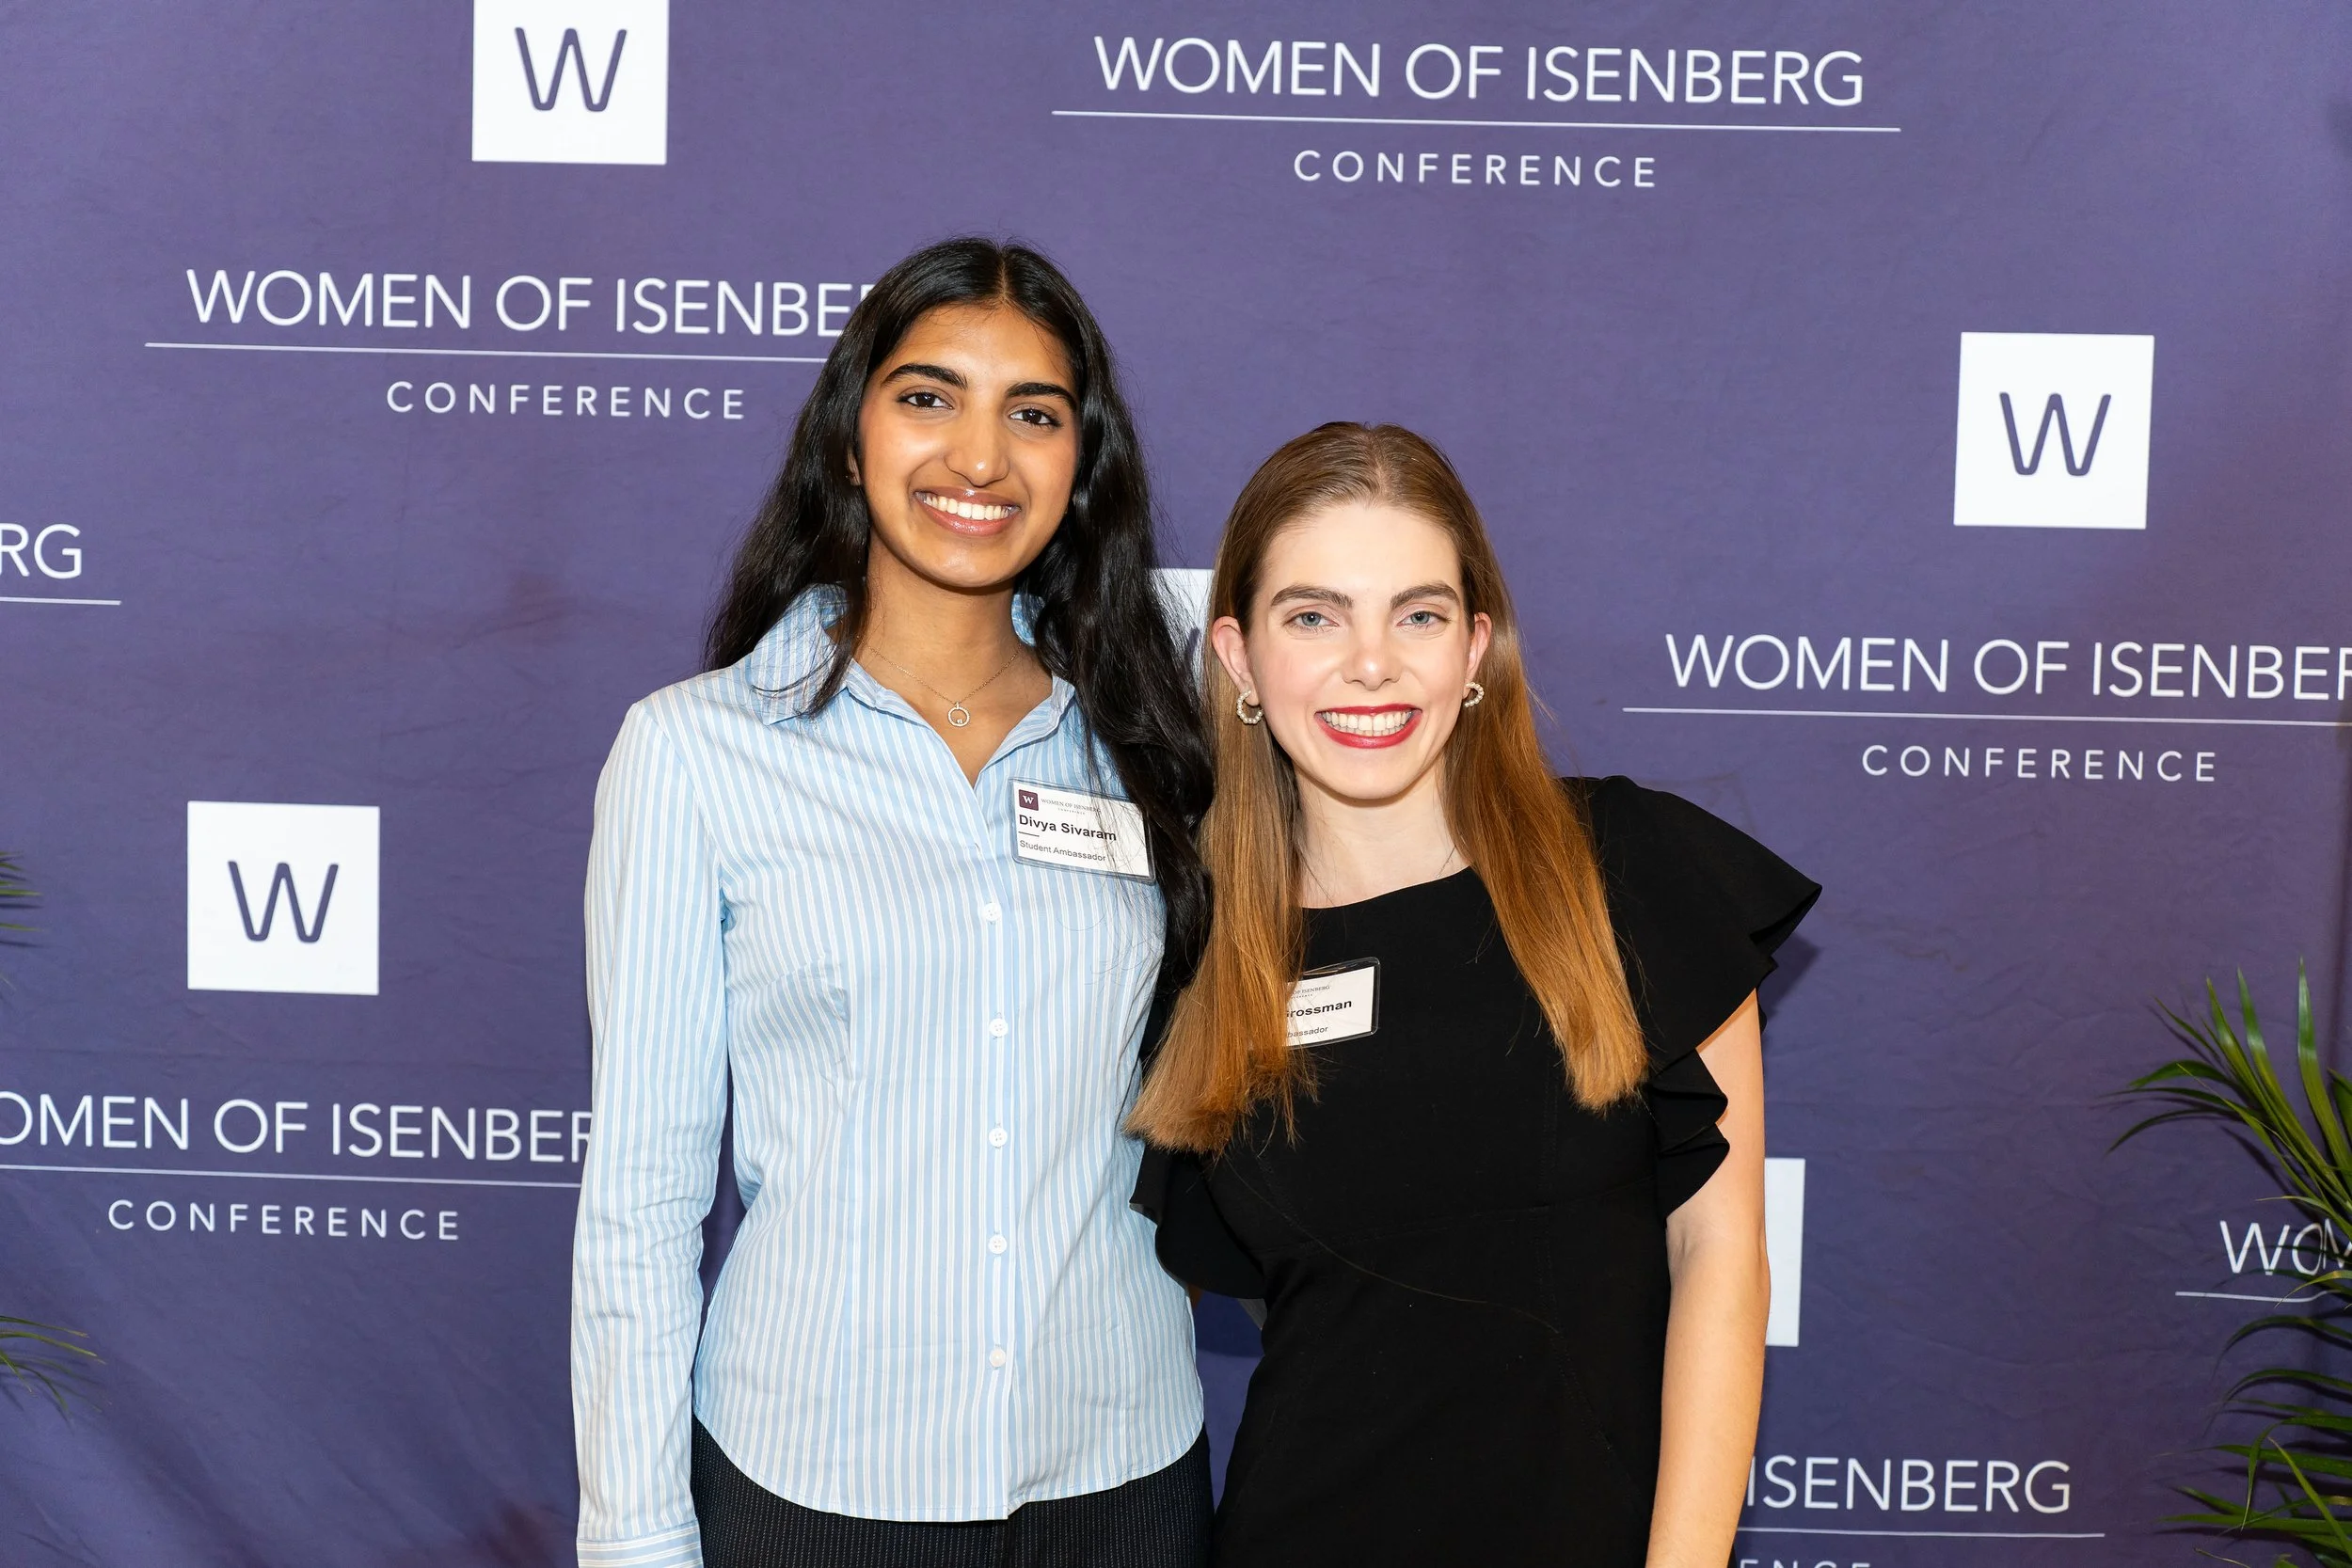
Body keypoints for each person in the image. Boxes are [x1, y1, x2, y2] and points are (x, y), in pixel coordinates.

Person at [571, 237, 1216, 1568]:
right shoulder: (696, 752)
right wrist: (636, 1536)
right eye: (929, 397)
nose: (979, 458)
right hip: (817, 1481)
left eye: (1033, 414)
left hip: (1122, 1469)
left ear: (1081, 463)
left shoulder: (1154, 734)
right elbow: (640, 1199)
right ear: (849, 435)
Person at [1129, 423, 1820, 1568]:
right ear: (1240, 660)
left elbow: (1720, 1252)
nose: (1371, 663)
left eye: (1418, 614)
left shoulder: (1624, 869)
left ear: (1475, 649)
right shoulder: (1200, 952)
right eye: (1314, 616)